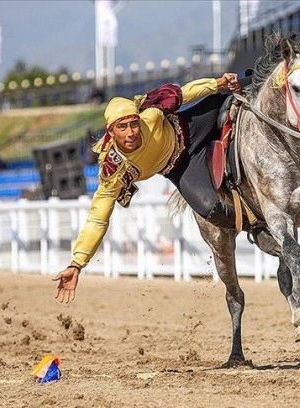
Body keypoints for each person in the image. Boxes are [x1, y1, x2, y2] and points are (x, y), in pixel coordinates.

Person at [52, 73, 272, 303]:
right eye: (123, 127)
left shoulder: (152, 112)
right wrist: (77, 263)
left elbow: (185, 93)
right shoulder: (113, 171)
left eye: (134, 124)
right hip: (180, 166)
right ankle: (258, 227)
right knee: (211, 209)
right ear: (111, 131)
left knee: (230, 103)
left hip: (192, 126)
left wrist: (218, 84)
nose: (131, 133)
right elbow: (98, 218)